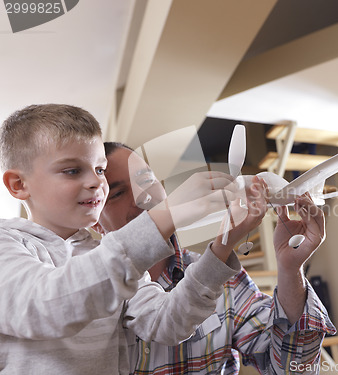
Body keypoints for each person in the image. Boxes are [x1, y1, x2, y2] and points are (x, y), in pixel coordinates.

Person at [0, 104, 267, 374]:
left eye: (100, 169)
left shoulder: (107, 257)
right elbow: (48, 307)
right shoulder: (7, 244)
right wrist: (166, 214)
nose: (96, 182)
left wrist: (223, 244)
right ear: (19, 185)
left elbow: (168, 324)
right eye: (72, 170)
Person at [95, 142, 337, 374]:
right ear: (96, 222)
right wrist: (221, 249)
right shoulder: (91, 290)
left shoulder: (225, 281)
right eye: (117, 194)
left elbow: (290, 368)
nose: (142, 197)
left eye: (146, 180)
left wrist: (290, 269)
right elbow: (168, 320)